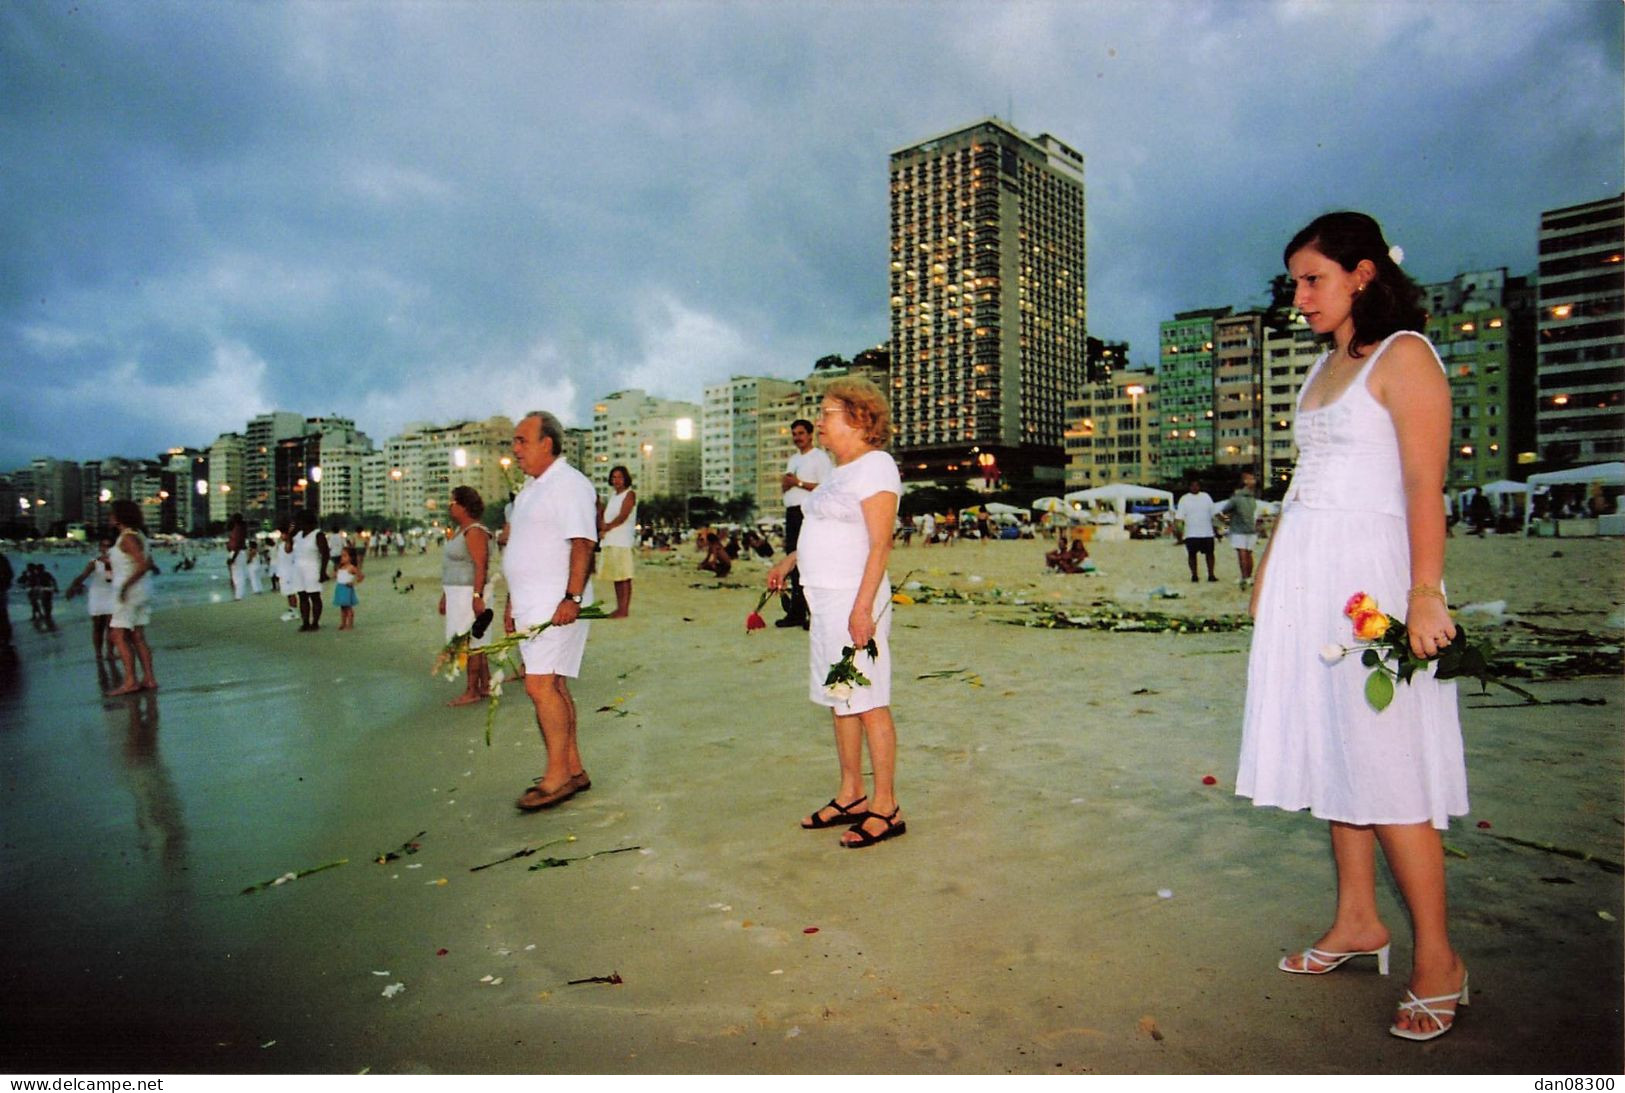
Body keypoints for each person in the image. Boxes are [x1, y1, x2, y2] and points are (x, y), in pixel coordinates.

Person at [1237, 211, 1468, 1042]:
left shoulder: (1406, 356)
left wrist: (1425, 592)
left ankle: (1438, 957)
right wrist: (1269, 573)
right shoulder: (1322, 365)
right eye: (1294, 281)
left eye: (1312, 279)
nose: (1297, 296)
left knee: (1387, 762)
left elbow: (1420, 485)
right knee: (1336, 747)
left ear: (1362, 274)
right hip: (1309, 572)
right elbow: (1302, 482)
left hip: (1372, 578)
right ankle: (1357, 921)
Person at [765, 378, 906, 849]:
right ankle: (852, 793)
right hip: (826, 602)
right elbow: (826, 529)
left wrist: (863, 608)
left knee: (868, 701)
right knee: (841, 698)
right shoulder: (839, 471)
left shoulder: (876, 467)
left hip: (852, 601)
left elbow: (880, 543)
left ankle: (886, 807)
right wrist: (790, 561)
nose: (819, 421)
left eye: (827, 412)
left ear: (860, 418)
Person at [504, 411, 598, 812]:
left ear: (548, 443)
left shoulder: (569, 483)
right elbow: (524, 546)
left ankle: (556, 776)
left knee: (540, 687)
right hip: (533, 603)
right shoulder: (531, 489)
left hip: (555, 603)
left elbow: (582, 543)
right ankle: (572, 769)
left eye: (523, 440)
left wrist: (572, 598)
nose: (516, 449)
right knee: (553, 686)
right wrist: (511, 602)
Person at [440, 485, 494, 706]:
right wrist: (445, 595)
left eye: (452, 503)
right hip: (457, 592)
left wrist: (477, 595)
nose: (450, 507)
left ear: (463, 506)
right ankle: (484, 684)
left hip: (468, 592)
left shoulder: (475, 531)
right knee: (473, 640)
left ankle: (472, 689)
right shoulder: (462, 530)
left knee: (470, 640)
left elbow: (480, 565)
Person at [777, 418, 833, 629]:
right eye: (794, 434)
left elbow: (826, 487)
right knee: (794, 563)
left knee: (811, 562)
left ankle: (815, 613)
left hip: (809, 513)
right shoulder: (793, 459)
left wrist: (798, 483)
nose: (797, 438)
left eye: (801, 433)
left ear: (810, 435)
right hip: (792, 511)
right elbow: (788, 484)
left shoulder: (819, 458)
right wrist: (786, 485)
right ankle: (797, 611)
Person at [107, 500, 159, 695]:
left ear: (120, 516)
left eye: (112, 514)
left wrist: (124, 586)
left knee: (117, 635)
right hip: (143, 590)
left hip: (131, 592)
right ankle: (149, 678)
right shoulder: (140, 536)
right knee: (137, 635)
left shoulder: (127, 538)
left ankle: (130, 680)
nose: (110, 517)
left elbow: (143, 565)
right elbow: (149, 562)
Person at [66, 534, 117, 659]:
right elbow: (83, 576)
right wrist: (72, 587)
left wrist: (109, 564)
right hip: (97, 594)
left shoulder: (118, 563)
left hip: (112, 594)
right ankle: (98, 653)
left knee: (111, 625)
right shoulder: (94, 563)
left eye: (109, 546)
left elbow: (110, 579)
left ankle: (110, 652)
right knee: (98, 626)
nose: (106, 548)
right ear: (100, 548)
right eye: (103, 546)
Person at [598, 465, 638, 618]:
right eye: (614, 477)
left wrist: (607, 527)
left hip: (622, 540)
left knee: (624, 575)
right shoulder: (613, 496)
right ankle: (619, 606)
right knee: (616, 576)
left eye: (620, 477)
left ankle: (624, 608)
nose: (616, 481)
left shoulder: (629, 494)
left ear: (626, 478)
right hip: (611, 539)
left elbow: (623, 516)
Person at [1216, 470, 1261, 587]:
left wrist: (1227, 522)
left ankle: (1244, 577)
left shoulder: (1236, 499)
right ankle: (1249, 577)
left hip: (1239, 530)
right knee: (1249, 554)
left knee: (1242, 553)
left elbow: (1221, 513)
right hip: (1251, 529)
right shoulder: (1252, 499)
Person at [288, 509, 330, 631]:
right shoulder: (298, 536)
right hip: (298, 568)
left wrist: (323, 572)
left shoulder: (318, 535)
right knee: (302, 596)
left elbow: (325, 554)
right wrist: (290, 535)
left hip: (313, 568)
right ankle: (305, 622)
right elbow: (289, 550)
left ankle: (315, 622)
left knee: (314, 596)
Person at [1175, 476, 1220, 582]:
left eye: (1197, 485)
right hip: (1191, 533)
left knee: (1210, 554)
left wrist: (1217, 529)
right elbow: (1179, 518)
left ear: (1199, 486)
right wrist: (1179, 532)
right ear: (1189, 487)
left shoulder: (1206, 497)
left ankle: (1211, 574)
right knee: (1192, 555)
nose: (1195, 487)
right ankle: (1194, 575)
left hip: (1207, 532)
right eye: (1192, 486)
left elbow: (1213, 514)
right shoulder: (1184, 499)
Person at [332, 545, 364, 630]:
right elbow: (336, 576)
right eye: (341, 556)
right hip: (340, 588)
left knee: (348, 607)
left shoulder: (352, 568)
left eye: (345, 556)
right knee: (342, 607)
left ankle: (350, 624)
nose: (342, 558)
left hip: (347, 588)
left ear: (351, 557)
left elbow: (360, 577)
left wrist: (353, 583)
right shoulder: (340, 567)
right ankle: (343, 623)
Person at [226, 513, 248, 600]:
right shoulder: (239, 529)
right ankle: (238, 594)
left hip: (237, 553)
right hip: (237, 552)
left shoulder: (238, 529)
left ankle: (239, 595)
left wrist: (233, 557)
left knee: (238, 575)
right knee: (238, 574)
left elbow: (237, 545)